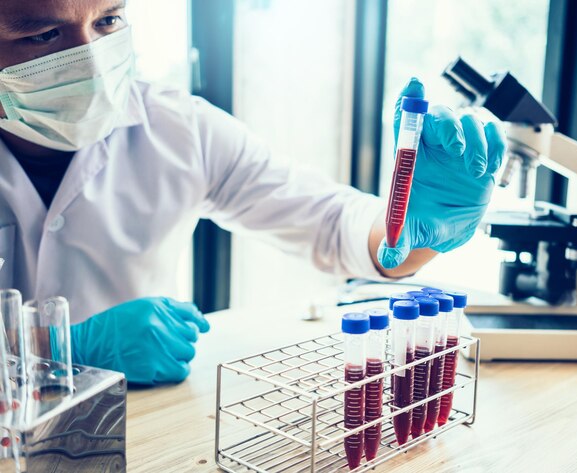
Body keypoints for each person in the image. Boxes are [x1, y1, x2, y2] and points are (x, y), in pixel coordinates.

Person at [0, 1, 506, 385]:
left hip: (136, 431)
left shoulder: (179, 130)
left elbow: (330, 224)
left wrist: (413, 226)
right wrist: (60, 349)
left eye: (108, 20)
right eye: (45, 33)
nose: (89, 57)